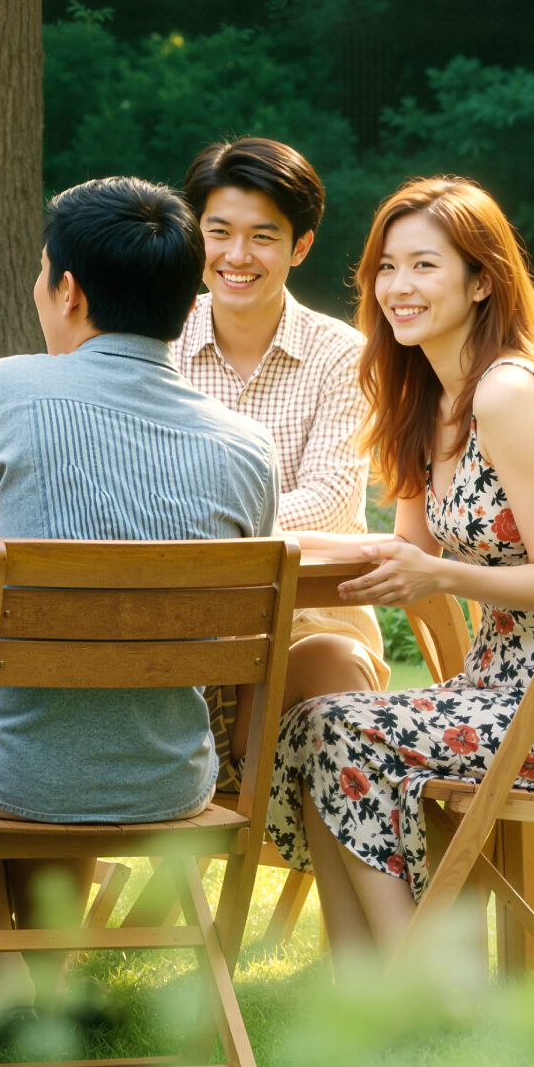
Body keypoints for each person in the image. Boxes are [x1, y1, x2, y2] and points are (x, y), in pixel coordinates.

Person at [0, 176, 278, 1019]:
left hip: (9, 768)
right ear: (189, 305)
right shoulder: (246, 444)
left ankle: (7, 988)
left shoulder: (6, 389)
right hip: (173, 778)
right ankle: (44, 981)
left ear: (66, 289)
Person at [264, 177, 534, 963]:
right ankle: (369, 988)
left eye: (423, 267)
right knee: (315, 723)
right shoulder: (423, 397)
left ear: (481, 281)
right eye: (385, 267)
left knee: (339, 727)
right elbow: (402, 547)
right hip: (500, 691)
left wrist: (438, 578)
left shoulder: (506, 392)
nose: (397, 288)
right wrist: (267, 544)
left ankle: (436, 986)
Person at [170, 138, 386, 775]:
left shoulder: (342, 356)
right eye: (219, 232)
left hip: (306, 614)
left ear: (300, 246)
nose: (238, 256)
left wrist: (205, 530)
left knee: (333, 665)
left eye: (263, 236)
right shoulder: (159, 340)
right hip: (179, 618)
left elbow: (330, 500)